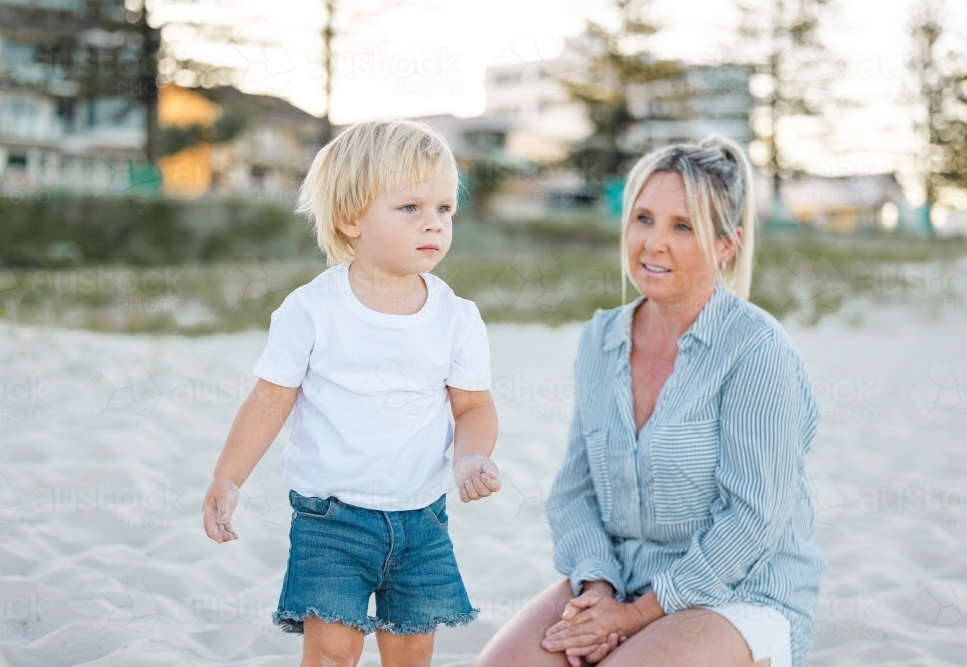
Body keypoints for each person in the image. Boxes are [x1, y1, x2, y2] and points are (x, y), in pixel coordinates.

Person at [475, 136, 826, 667]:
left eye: (681, 226)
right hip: (620, 578)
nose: (653, 243)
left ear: (726, 245)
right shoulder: (600, 340)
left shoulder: (756, 350)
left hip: (740, 593)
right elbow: (574, 491)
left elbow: (753, 520)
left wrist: (637, 618)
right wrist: (597, 590)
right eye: (643, 218)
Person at [201, 119, 502, 667]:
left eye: (443, 209)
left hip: (421, 519)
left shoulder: (457, 318)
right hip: (331, 520)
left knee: (411, 653)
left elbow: (474, 406)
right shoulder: (312, 310)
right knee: (332, 652)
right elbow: (269, 400)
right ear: (349, 217)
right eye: (410, 208)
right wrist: (228, 476)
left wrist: (471, 457)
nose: (433, 223)